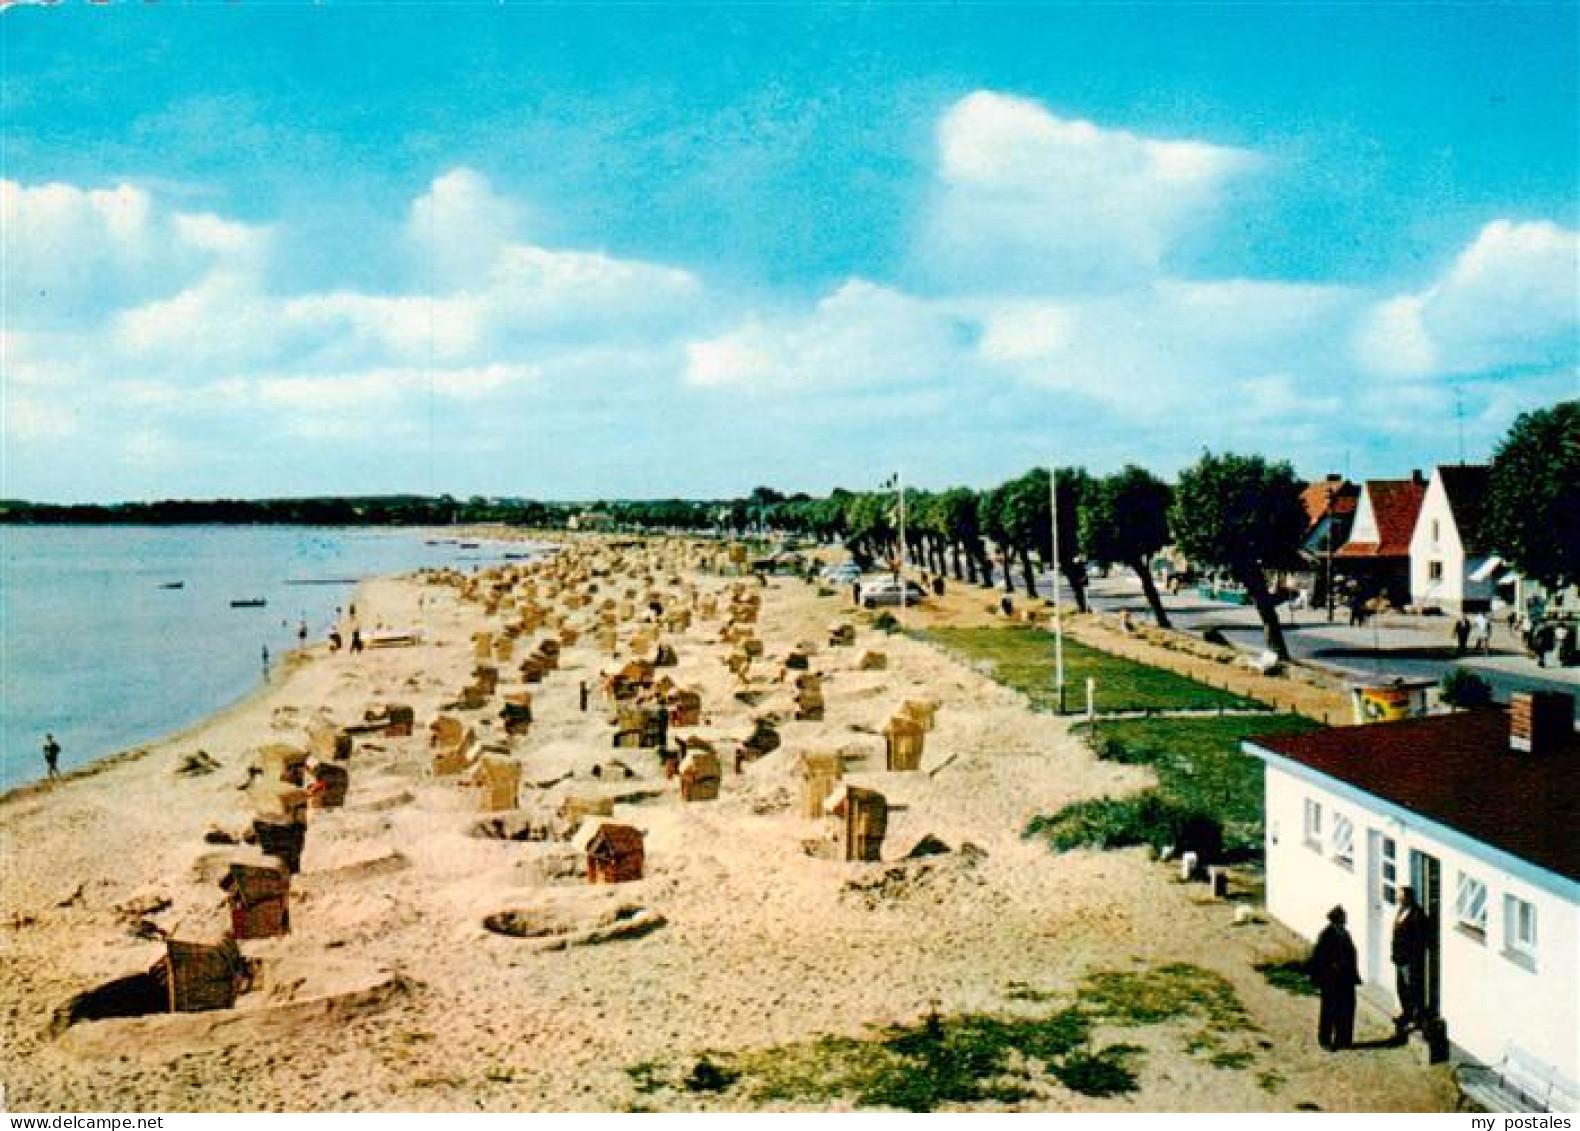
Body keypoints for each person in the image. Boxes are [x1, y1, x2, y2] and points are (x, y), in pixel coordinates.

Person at [1310, 905, 1361, 1051]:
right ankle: (1325, 1040)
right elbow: (1320, 957)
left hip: (1346, 978)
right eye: (1343, 916)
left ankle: (1343, 1039)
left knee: (1346, 1009)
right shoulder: (1327, 935)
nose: (1346, 918)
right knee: (1329, 1010)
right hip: (1332, 980)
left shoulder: (1345, 933)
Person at [1392, 886, 1430, 1032]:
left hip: (1410, 961)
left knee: (1414, 989)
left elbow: (1418, 940)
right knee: (1402, 988)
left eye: (1400, 896)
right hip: (1400, 959)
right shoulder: (1402, 911)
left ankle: (1418, 1018)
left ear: (1408, 897)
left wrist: (1412, 959)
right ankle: (1406, 1014)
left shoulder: (1417, 915)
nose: (1398, 898)